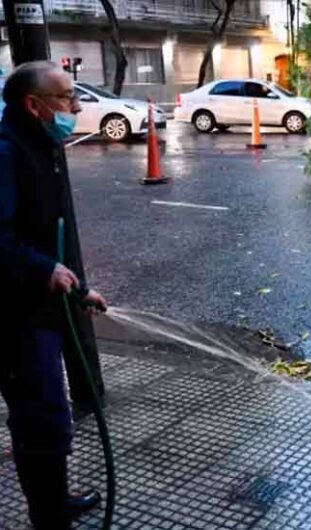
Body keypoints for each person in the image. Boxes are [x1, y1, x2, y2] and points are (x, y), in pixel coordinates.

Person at [0, 61, 107, 528]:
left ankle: (54, 501)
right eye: (66, 98)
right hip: (12, 315)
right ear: (34, 105)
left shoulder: (43, 145)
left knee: (48, 416)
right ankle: (49, 517)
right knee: (41, 420)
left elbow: (48, 234)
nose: (76, 107)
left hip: (37, 306)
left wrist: (79, 287)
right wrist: (44, 270)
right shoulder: (6, 153)